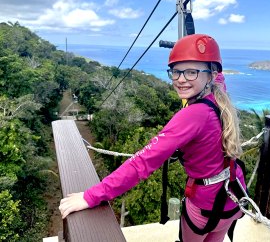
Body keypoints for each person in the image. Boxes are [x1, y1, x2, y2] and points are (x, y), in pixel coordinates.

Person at [59, 34, 246, 242]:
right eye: (176, 71)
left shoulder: (192, 115)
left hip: (205, 206)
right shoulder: (219, 96)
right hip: (233, 196)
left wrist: (91, 196)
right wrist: (194, 54)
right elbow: (218, 75)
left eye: (191, 72)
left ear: (210, 74)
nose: (181, 79)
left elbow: (142, 163)